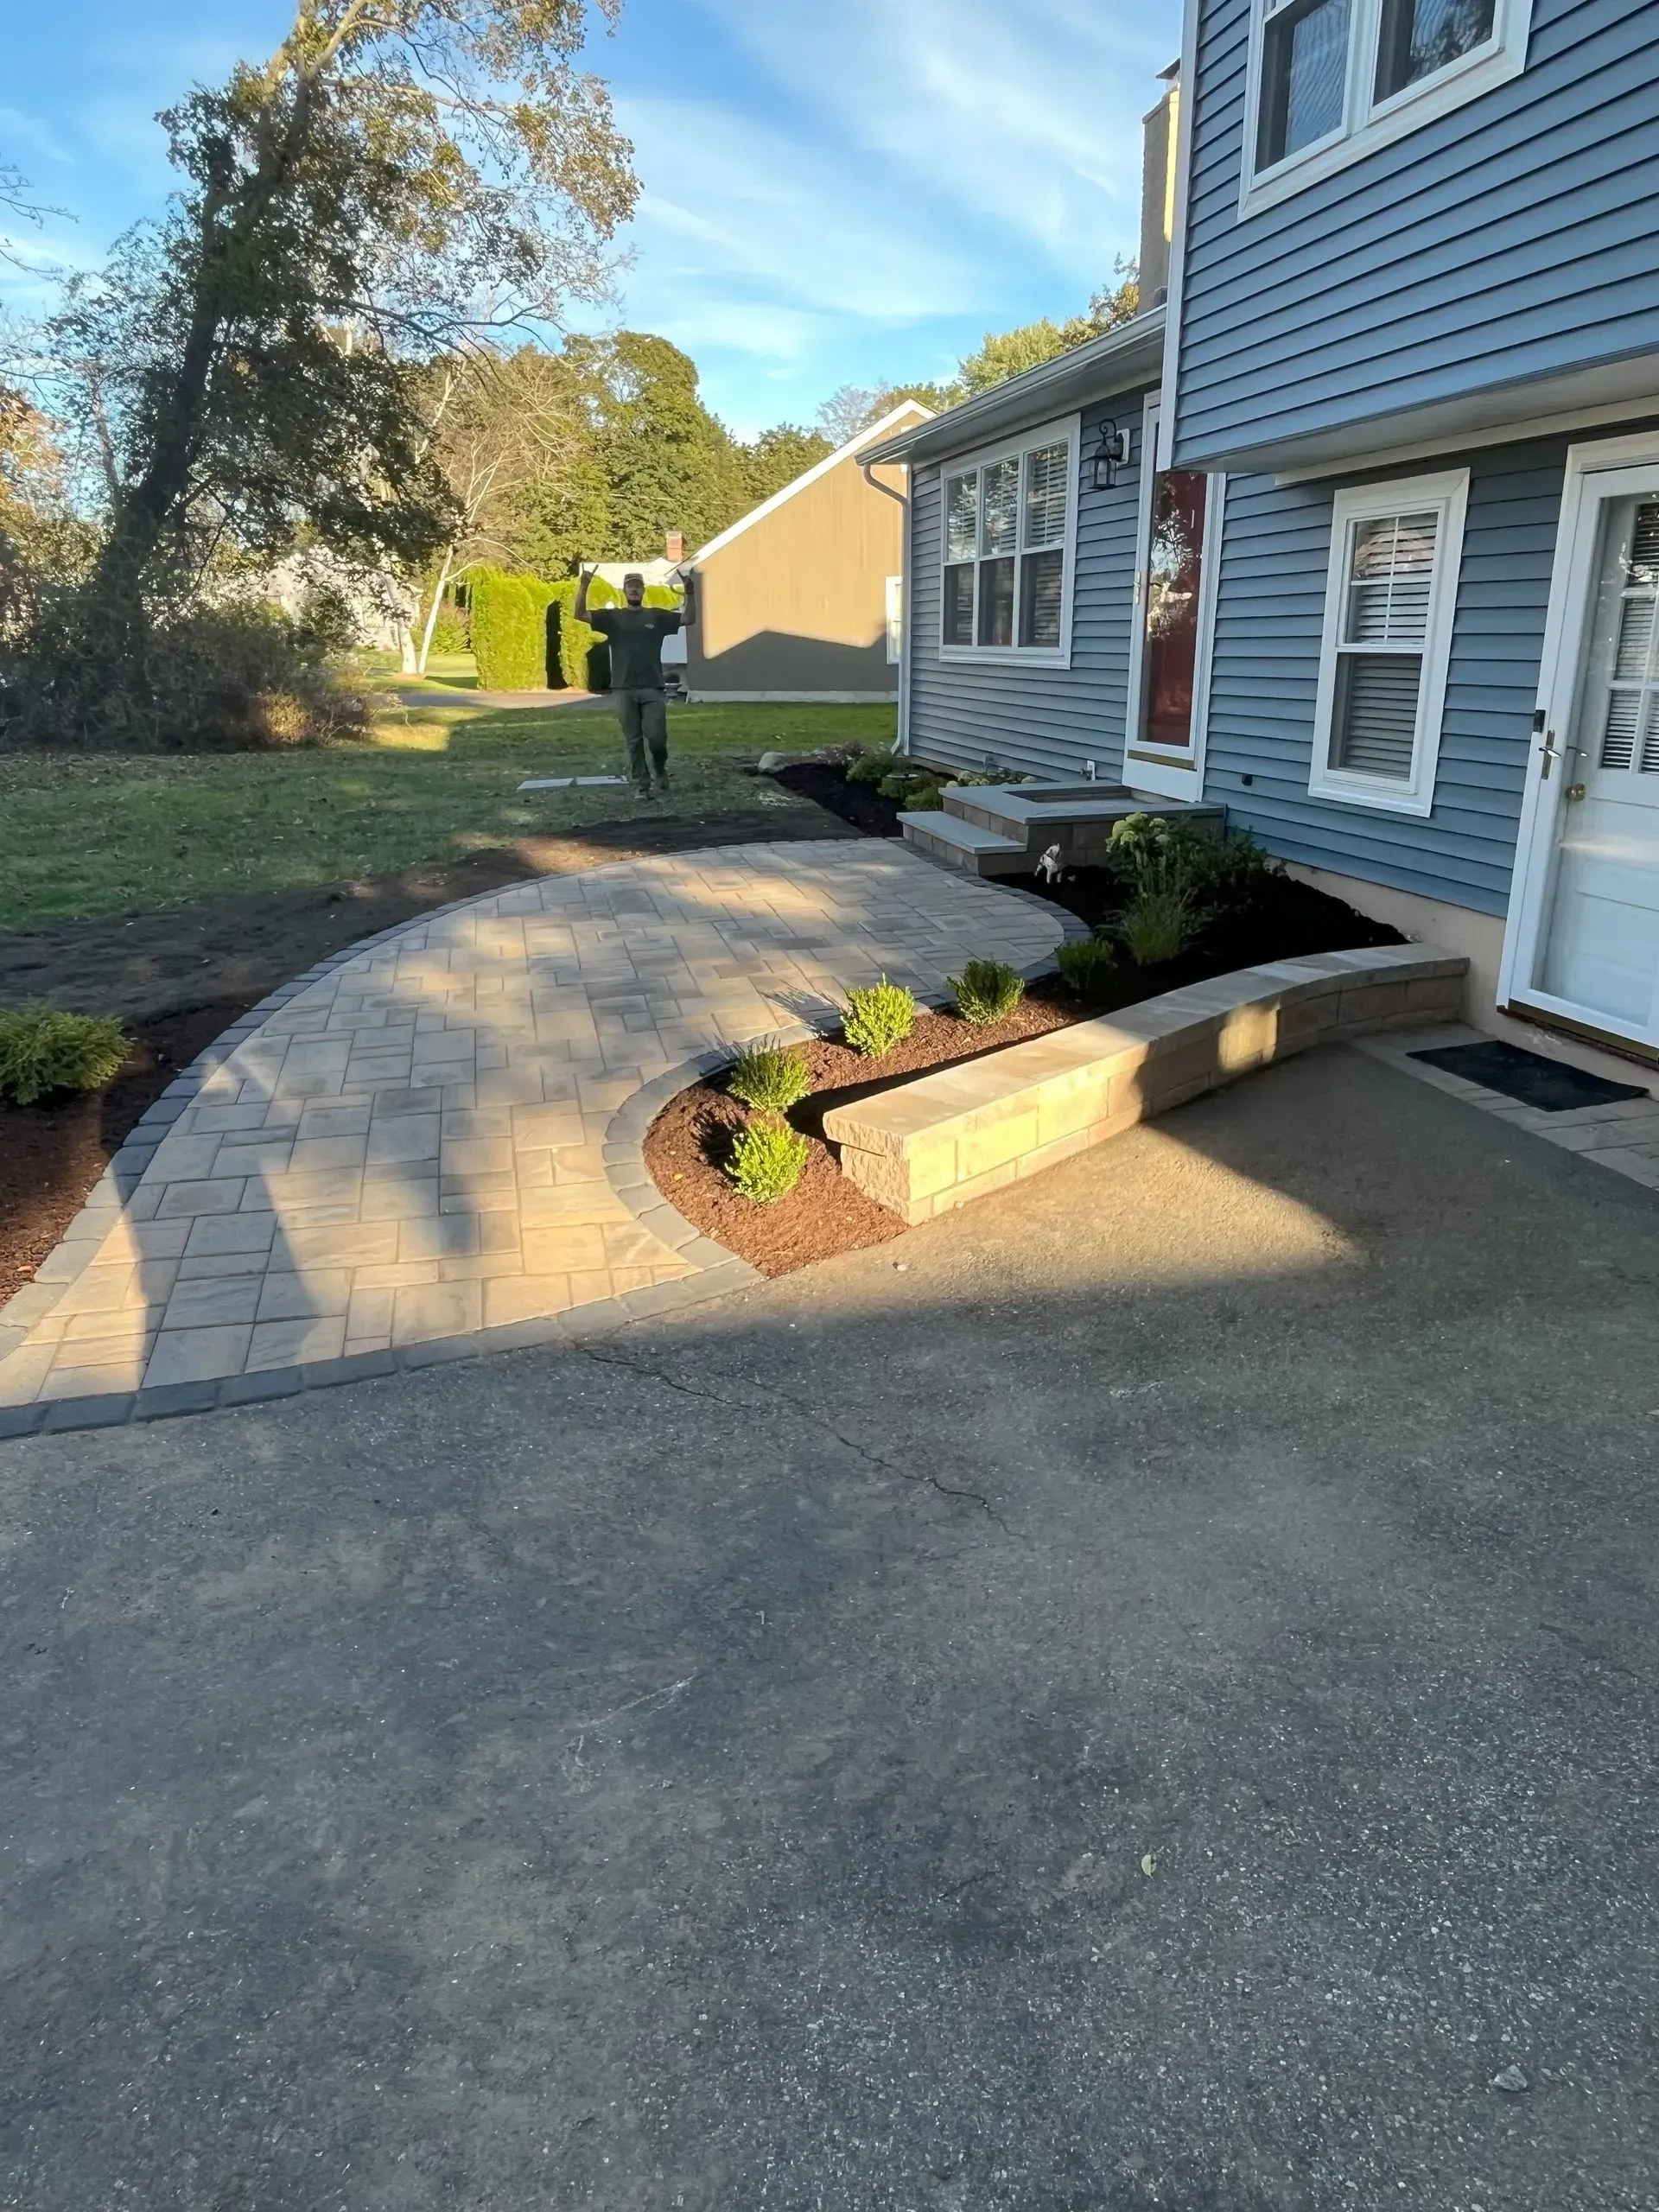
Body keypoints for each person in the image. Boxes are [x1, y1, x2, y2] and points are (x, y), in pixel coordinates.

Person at [575, 564, 697, 798]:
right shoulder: (613, 618)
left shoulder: (656, 617)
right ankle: (642, 785)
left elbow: (690, 618)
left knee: (657, 737)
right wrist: (584, 585)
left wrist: (690, 592)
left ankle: (660, 769)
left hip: (652, 688)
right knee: (633, 741)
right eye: (630, 587)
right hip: (623, 689)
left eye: (638, 587)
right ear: (624, 591)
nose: (634, 591)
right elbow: (579, 614)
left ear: (643, 591)